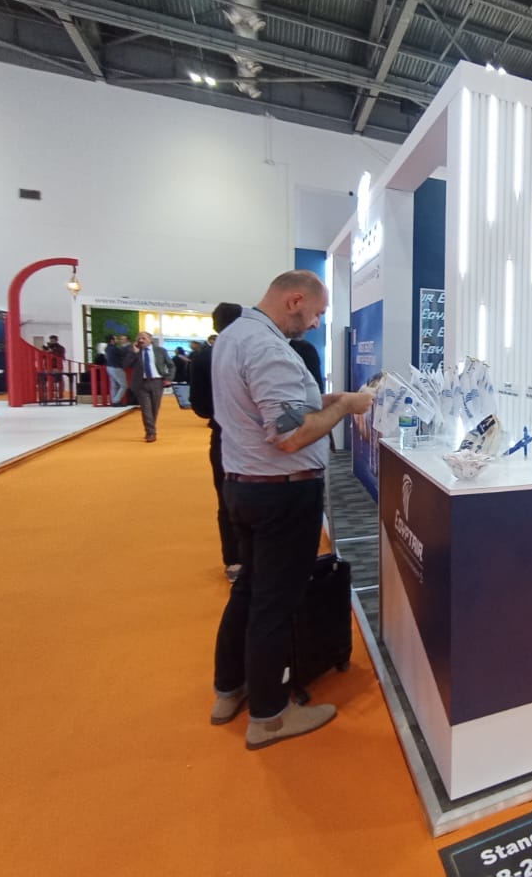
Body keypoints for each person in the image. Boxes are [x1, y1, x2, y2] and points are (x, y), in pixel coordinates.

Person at [210, 271, 373, 750]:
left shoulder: (235, 336)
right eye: (318, 313)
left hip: (245, 487)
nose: (318, 323)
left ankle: (230, 689)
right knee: (274, 604)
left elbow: (279, 408)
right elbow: (290, 434)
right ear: (295, 300)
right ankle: (270, 716)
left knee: (249, 591)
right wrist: (344, 409)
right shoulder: (269, 349)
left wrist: (331, 399)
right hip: (281, 495)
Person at [190, 303, 243, 582]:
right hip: (259, 436)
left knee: (226, 497)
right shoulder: (253, 351)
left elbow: (198, 406)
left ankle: (234, 561)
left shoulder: (203, 357)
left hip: (222, 435)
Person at [120, 331, 173, 442]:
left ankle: (151, 428)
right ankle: (151, 433)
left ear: (150, 340)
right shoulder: (134, 351)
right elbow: (125, 365)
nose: (141, 340)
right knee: (146, 409)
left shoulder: (160, 351)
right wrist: (134, 353)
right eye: (139, 338)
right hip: (141, 383)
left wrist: (168, 378)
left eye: (143, 338)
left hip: (157, 382)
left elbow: (171, 365)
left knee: (154, 408)